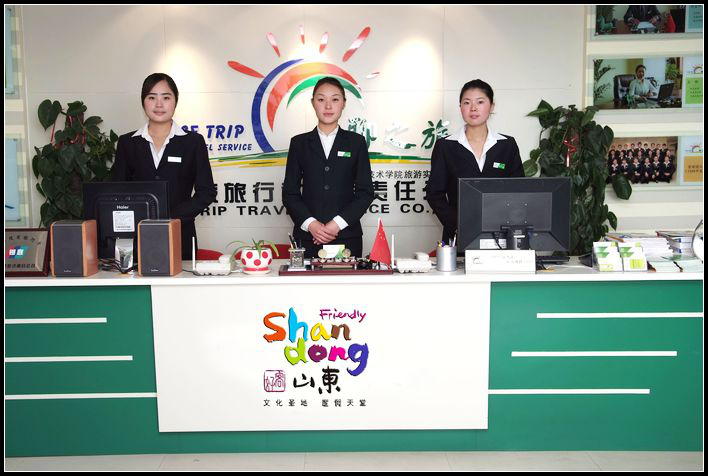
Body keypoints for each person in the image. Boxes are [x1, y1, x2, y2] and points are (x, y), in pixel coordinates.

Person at [112, 73, 217, 259]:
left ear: (175, 101)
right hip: (137, 237)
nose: (159, 104)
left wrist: (169, 217)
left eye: (166, 98)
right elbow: (117, 191)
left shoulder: (193, 142)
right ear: (143, 102)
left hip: (180, 234)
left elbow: (206, 192)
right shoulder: (128, 143)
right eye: (152, 97)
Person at [282, 77, 374, 258]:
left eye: (335, 99)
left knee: (345, 277)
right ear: (313, 103)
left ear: (344, 103)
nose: (328, 106)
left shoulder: (356, 142)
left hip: (346, 236)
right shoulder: (299, 143)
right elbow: (290, 193)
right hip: (308, 238)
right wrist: (311, 224)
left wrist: (336, 224)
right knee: (306, 278)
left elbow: (365, 192)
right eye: (321, 99)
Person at [425, 79, 524, 244]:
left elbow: (518, 190)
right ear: (460, 107)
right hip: (459, 234)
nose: (473, 108)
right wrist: (458, 225)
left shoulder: (507, 145)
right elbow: (434, 194)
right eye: (467, 102)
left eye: (480, 102)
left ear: (492, 106)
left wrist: (508, 224)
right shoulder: (445, 146)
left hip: (502, 234)